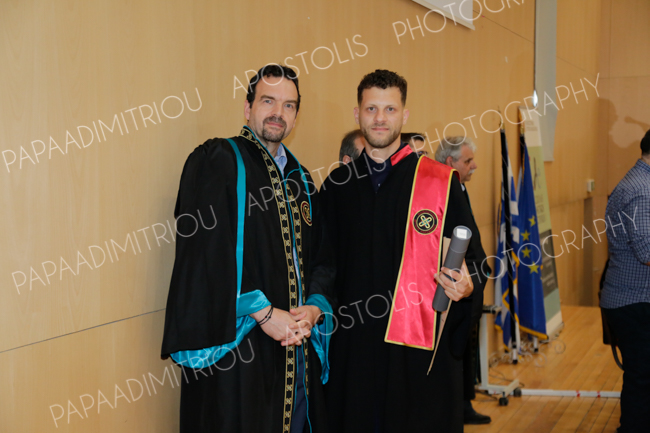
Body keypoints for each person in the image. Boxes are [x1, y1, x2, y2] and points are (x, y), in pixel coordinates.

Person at [161, 64, 336, 433]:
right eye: (268, 101)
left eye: (289, 105)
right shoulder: (219, 161)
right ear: (247, 108)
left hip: (295, 351)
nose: (278, 112)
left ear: (296, 116)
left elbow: (322, 257)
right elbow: (204, 252)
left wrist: (314, 308)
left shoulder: (302, 181)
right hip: (238, 351)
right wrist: (264, 313)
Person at [320, 69, 481, 433]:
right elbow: (320, 265)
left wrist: (467, 285)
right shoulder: (337, 186)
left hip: (416, 353)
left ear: (404, 115)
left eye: (390, 109)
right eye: (371, 109)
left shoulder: (439, 182)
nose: (380, 118)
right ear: (357, 114)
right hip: (353, 349)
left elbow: (473, 261)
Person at [435, 136, 491, 425]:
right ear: (450, 162)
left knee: (466, 345)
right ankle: (459, 406)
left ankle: (465, 402)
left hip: (470, 281)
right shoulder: (441, 191)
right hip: (453, 284)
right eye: (468, 161)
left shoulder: (460, 187)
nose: (474, 166)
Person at [601, 129, 650, 433]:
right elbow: (647, 252)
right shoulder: (642, 190)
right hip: (634, 302)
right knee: (642, 377)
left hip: (634, 299)